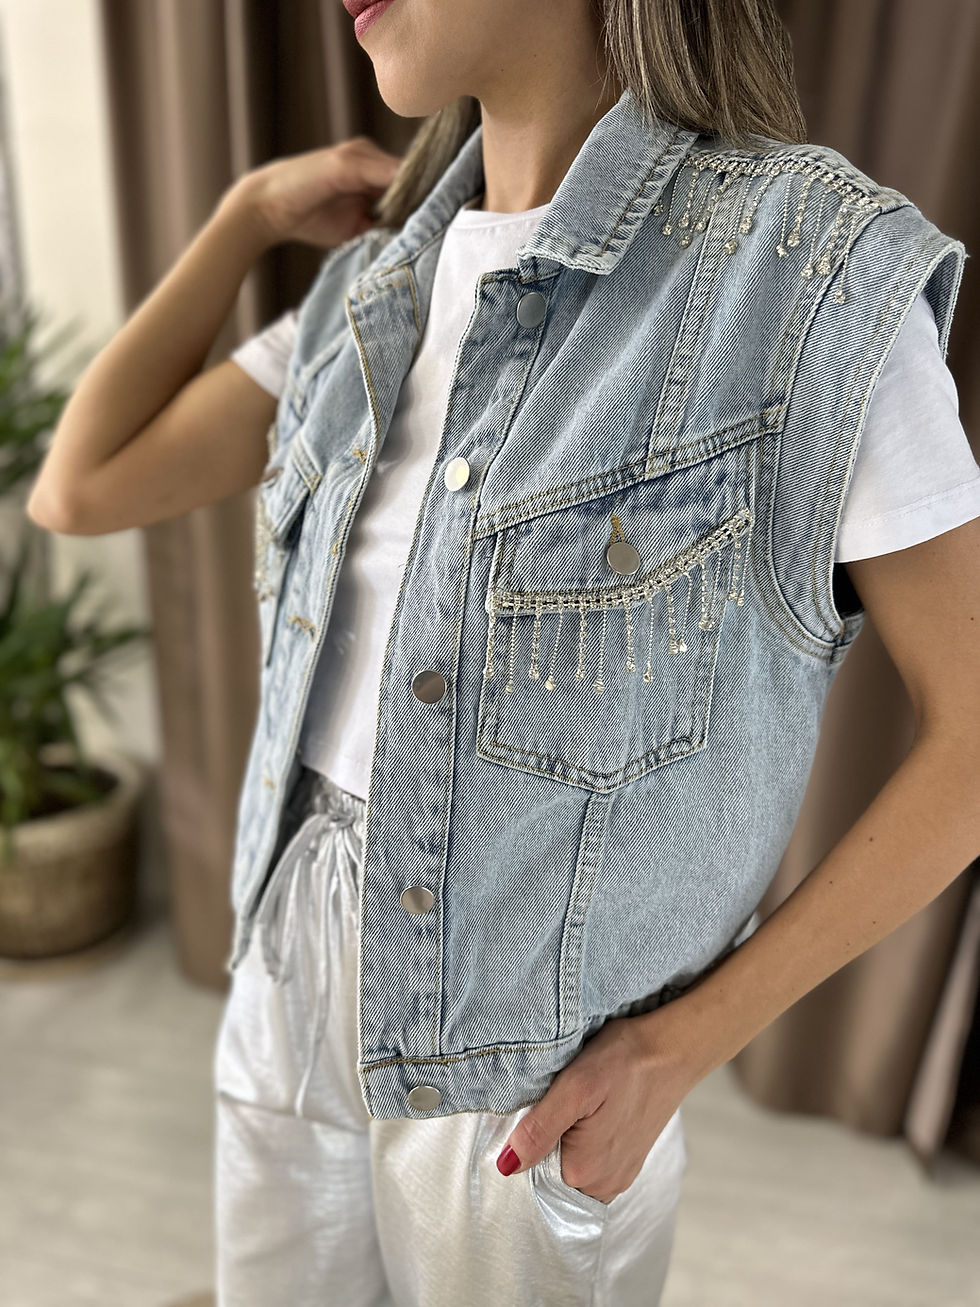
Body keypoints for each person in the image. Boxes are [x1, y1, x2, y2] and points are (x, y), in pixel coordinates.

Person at [27, 1, 980, 1304]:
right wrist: (244, 217)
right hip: (295, 955)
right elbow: (78, 488)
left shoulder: (801, 270)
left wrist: (683, 1047)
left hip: (529, 1058)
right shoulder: (371, 298)